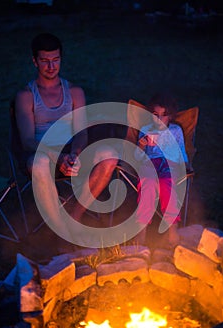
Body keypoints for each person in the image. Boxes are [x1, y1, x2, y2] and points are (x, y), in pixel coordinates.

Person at [15, 32, 118, 246]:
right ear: (35, 61)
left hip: (71, 153)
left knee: (110, 154)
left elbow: (81, 132)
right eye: (45, 61)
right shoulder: (26, 95)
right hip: (41, 154)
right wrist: (58, 156)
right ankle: (59, 231)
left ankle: (73, 217)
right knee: (40, 162)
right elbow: (27, 141)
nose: (51, 67)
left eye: (56, 60)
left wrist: (75, 153)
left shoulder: (75, 92)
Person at [134, 92, 190, 248]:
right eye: (155, 114)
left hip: (169, 163)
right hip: (149, 163)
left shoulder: (176, 130)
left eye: (164, 115)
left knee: (168, 185)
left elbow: (181, 152)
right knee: (148, 184)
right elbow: (137, 157)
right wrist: (142, 145)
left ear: (170, 117)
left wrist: (184, 164)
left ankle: (173, 229)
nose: (159, 119)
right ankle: (142, 230)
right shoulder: (146, 129)